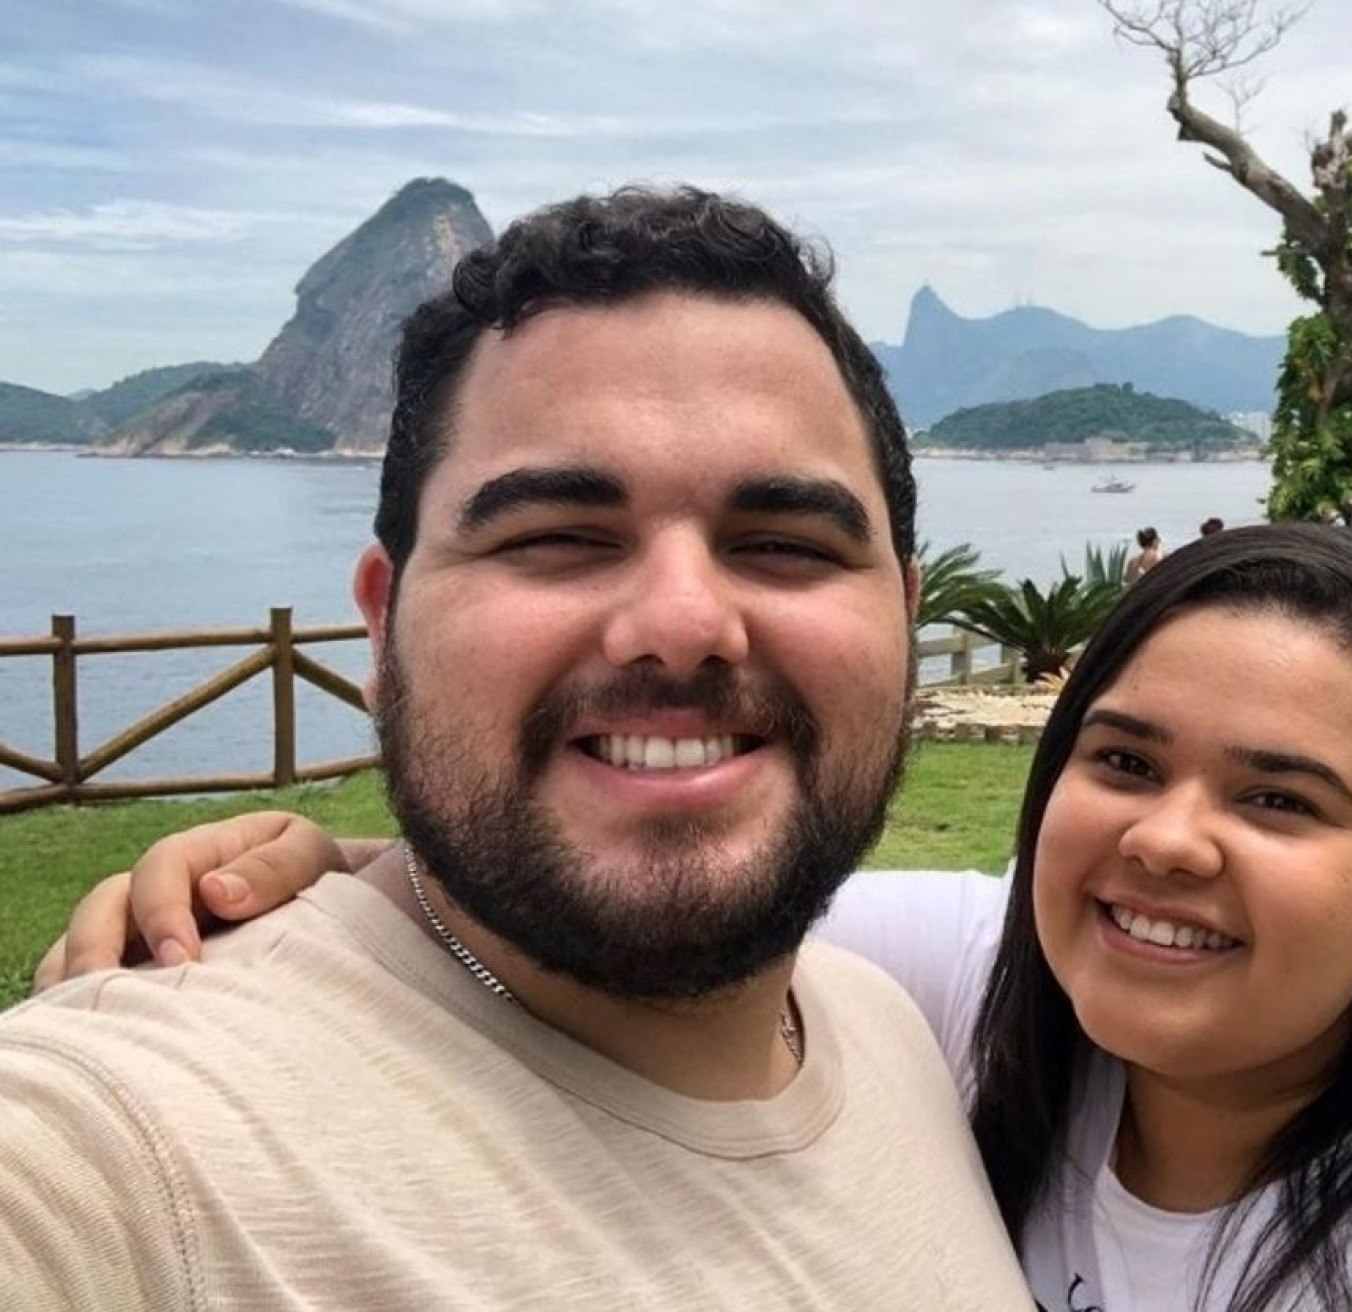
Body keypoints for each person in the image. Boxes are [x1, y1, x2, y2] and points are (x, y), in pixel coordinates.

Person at [48, 525, 1352, 1311]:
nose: (1165, 841)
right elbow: (641, 907)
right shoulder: (976, 988)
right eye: (1122, 761)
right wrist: (336, 861)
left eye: (1278, 801)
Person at [0, 186, 1032, 1308]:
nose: (683, 623)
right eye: (557, 537)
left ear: (903, 618)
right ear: (384, 627)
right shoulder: (124, 1146)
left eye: (784, 544)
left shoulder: (896, 1028)